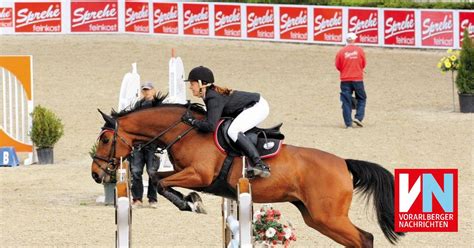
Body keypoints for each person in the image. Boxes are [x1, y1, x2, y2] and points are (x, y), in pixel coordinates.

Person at [182, 66, 271, 178]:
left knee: (233, 131)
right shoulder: (209, 95)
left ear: (202, 83)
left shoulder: (212, 97)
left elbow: (210, 126)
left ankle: (260, 164)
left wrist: (192, 121)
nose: (190, 87)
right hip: (249, 107)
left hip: (258, 107)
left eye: (192, 84)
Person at [131, 82, 160, 208]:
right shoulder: (139, 105)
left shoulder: (158, 106)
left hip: (152, 144)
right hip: (139, 143)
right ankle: (137, 198)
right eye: (144, 90)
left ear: (153, 91)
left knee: (152, 171)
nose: (146, 92)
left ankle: (152, 199)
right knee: (136, 171)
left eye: (148, 90)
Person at [335, 32, 367, 129]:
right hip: (357, 79)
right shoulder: (360, 51)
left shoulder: (341, 52)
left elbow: (338, 66)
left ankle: (348, 123)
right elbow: (363, 63)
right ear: (354, 40)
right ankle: (358, 117)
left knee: (346, 101)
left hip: (345, 79)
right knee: (362, 98)